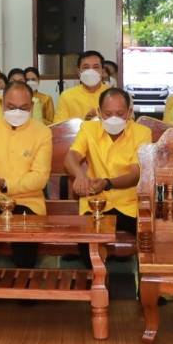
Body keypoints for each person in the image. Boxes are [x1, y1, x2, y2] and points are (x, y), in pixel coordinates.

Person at [0, 82, 51, 274]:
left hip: (28, 202)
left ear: (32, 106)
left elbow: (40, 177)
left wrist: (4, 184)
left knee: (24, 239)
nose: (17, 112)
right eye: (11, 107)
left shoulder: (42, 132)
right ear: (1, 105)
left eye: (24, 108)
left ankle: (25, 282)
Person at [65, 88, 149, 238]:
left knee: (147, 238)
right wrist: (79, 175)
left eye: (120, 114)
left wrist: (107, 183)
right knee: (87, 247)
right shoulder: (88, 128)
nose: (114, 119)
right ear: (99, 112)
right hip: (95, 203)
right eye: (108, 114)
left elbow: (136, 174)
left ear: (129, 113)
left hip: (127, 205)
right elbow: (72, 156)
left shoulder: (142, 133)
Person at [54, 51, 107, 122]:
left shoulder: (113, 95)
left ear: (102, 71)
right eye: (86, 67)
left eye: (96, 67)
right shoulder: (66, 96)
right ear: (79, 72)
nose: (91, 71)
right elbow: (60, 127)